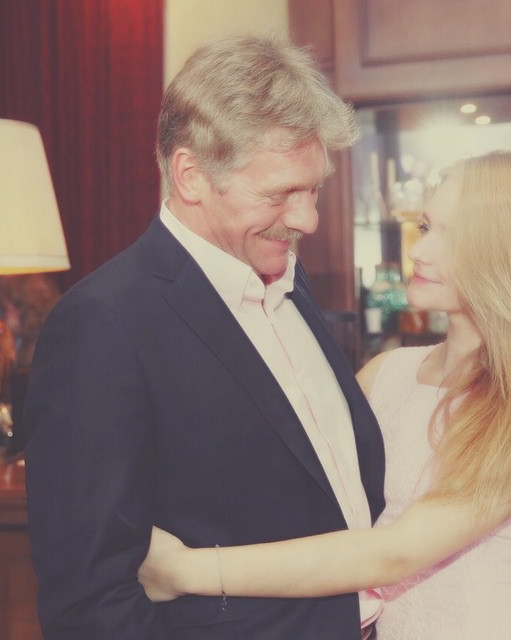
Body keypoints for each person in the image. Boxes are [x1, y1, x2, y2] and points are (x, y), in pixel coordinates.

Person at [138, 150, 511, 640]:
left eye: (456, 238)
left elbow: (395, 553)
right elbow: (298, 483)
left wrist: (185, 571)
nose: (420, 251)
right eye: (426, 227)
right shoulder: (387, 372)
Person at [24, 35, 386, 640]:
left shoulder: (287, 279)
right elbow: (89, 599)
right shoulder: (102, 325)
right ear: (191, 176)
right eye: (280, 194)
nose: (307, 220)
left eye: (314, 188)